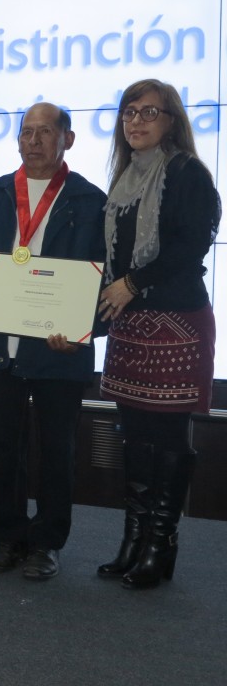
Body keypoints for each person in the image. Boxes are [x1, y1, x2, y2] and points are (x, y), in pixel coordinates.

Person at [0, 102, 106, 579]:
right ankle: (8, 538)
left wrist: (85, 332)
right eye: (26, 133)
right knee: (2, 447)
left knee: (57, 452)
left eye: (44, 132)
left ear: (68, 140)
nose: (33, 141)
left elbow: (105, 279)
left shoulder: (92, 201)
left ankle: (48, 543)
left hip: (60, 352)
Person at [95, 79, 219, 590]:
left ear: (172, 121)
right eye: (129, 112)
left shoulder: (188, 173)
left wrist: (133, 282)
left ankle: (160, 545)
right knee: (134, 437)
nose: (137, 121)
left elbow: (192, 245)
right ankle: (133, 538)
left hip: (176, 325)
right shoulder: (124, 178)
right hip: (131, 326)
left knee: (167, 437)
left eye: (150, 112)